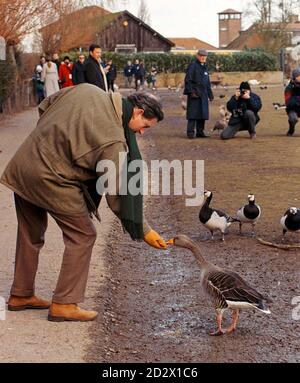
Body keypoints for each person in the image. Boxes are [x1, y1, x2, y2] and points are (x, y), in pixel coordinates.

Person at [0, 86, 167, 322]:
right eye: (145, 127)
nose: (141, 134)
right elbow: (117, 193)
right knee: (83, 234)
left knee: (31, 231)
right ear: (137, 112)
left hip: (24, 164)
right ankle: (64, 303)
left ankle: (21, 294)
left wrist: (55, 140)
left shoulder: (88, 90)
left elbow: (45, 105)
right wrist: (144, 229)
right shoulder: (113, 140)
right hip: (50, 177)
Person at [183, 49, 214, 138]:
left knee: (202, 113)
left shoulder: (205, 67)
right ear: (197, 56)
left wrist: (210, 94)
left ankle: (200, 132)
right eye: (201, 56)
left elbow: (207, 82)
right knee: (193, 114)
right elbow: (188, 80)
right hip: (195, 93)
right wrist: (191, 92)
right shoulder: (193, 66)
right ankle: (190, 133)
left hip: (203, 94)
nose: (203, 58)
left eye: (204, 56)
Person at [284, 67, 300, 136]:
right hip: (293, 109)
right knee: (293, 119)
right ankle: (291, 129)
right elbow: (288, 102)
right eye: (299, 76)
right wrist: (298, 99)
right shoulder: (289, 87)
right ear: (295, 77)